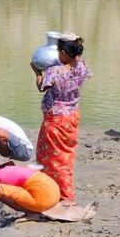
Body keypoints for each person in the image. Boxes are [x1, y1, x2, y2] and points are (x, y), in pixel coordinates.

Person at [30, 33, 91, 200]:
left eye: (58, 51)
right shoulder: (82, 67)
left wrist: (37, 72)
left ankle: (60, 196)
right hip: (72, 115)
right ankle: (61, 194)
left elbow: (42, 87)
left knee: (50, 158)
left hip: (55, 118)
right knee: (66, 156)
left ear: (64, 53)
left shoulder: (55, 71)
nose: (57, 54)